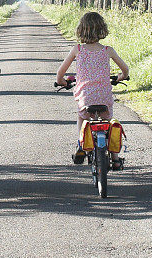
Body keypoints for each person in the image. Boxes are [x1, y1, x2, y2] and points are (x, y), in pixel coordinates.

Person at [55, 11, 129, 163]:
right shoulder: (108, 50)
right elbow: (125, 70)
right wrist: (121, 77)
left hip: (85, 98)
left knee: (82, 117)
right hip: (104, 97)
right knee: (108, 122)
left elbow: (60, 73)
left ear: (81, 30)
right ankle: (115, 158)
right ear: (102, 29)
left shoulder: (78, 50)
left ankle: (81, 145)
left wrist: (62, 81)